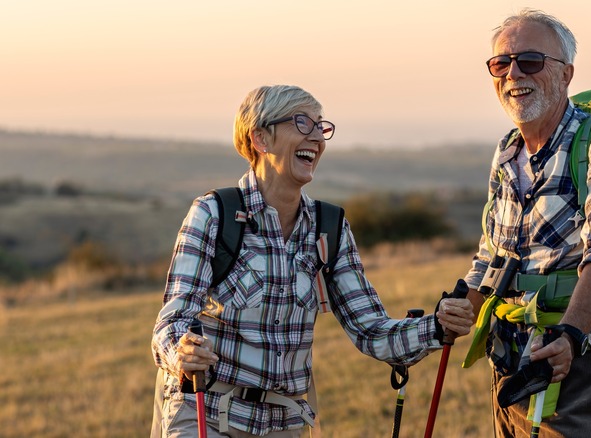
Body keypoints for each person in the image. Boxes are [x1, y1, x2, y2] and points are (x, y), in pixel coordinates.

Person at [151, 84, 474, 438]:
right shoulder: (213, 214)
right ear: (260, 138)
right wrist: (181, 352)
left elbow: (371, 331)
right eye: (303, 123)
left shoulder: (329, 228)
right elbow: (172, 322)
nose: (317, 137)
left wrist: (438, 327)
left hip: (283, 424)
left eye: (322, 127)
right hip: (206, 414)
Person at [461, 9, 591, 437]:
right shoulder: (507, 151)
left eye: (529, 61)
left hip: (578, 362)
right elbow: (492, 255)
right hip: (509, 361)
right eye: (500, 64)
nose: (512, 74)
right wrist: (451, 314)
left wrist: (569, 336)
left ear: (566, 74)